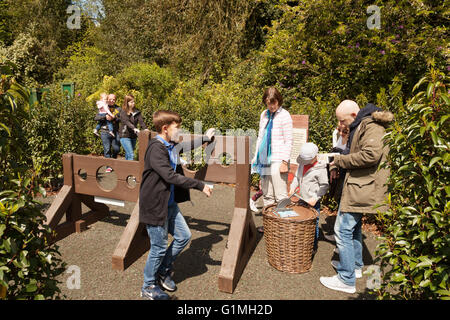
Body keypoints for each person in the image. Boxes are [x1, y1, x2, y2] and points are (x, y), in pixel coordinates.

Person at [139, 110, 215, 300]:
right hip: (155, 205)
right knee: (158, 246)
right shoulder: (156, 148)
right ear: (165, 128)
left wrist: (206, 137)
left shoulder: (170, 144)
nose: (179, 130)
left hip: (169, 203)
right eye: (177, 127)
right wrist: (200, 185)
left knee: (183, 236)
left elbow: (186, 145)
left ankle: (163, 270)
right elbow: (169, 176)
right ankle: (148, 286)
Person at [319, 100, 393, 294]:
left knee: (342, 230)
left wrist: (340, 160)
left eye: (342, 121)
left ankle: (346, 279)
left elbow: (370, 155)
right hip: (360, 186)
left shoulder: (371, 127)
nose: (341, 126)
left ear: (353, 115)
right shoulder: (363, 125)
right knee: (354, 229)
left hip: (362, 187)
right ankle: (356, 267)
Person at [252, 87, 293, 233]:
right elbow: (260, 137)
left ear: (278, 100)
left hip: (278, 159)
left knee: (280, 195)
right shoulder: (264, 114)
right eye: (268, 103)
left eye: (273, 103)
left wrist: (284, 161)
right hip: (264, 160)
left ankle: (283, 227)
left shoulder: (284, 115)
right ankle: (269, 226)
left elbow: (289, 140)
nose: (271, 106)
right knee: (267, 194)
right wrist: (255, 157)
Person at [289, 142, 329, 251]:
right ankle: (301, 243)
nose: (305, 163)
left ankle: (312, 247)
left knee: (313, 224)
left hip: (312, 201)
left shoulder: (320, 169)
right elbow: (297, 177)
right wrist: (292, 188)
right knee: (300, 220)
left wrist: (315, 198)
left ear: (314, 156)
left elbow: (324, 186)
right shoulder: (302, 164)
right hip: (302, 198)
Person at [94, 94, 122, 171]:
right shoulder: (103, 106)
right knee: (107, 149)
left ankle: (112, 160)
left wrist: (113, 118)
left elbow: (121, 119)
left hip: (115, 131)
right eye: (110, 99)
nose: (112, 101)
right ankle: (109, 166)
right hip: (104, 132)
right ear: (107, 99)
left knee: (116, 148)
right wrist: (105, 117)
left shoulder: (118, 108)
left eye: (113, 99)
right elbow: (96, 117)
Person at [119, 94, 148, 160]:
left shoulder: (137, 111)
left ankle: (125, 168)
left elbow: (141, 122)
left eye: (134, 102)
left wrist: (145, 129)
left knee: (128, 154)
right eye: (131, 102)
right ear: (127, 103)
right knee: (131, 154)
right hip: (124, 135)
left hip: (133, 136)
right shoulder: (123, 112)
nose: (133, 103)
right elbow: (126, 122)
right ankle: (131, 170)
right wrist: (134, 128)